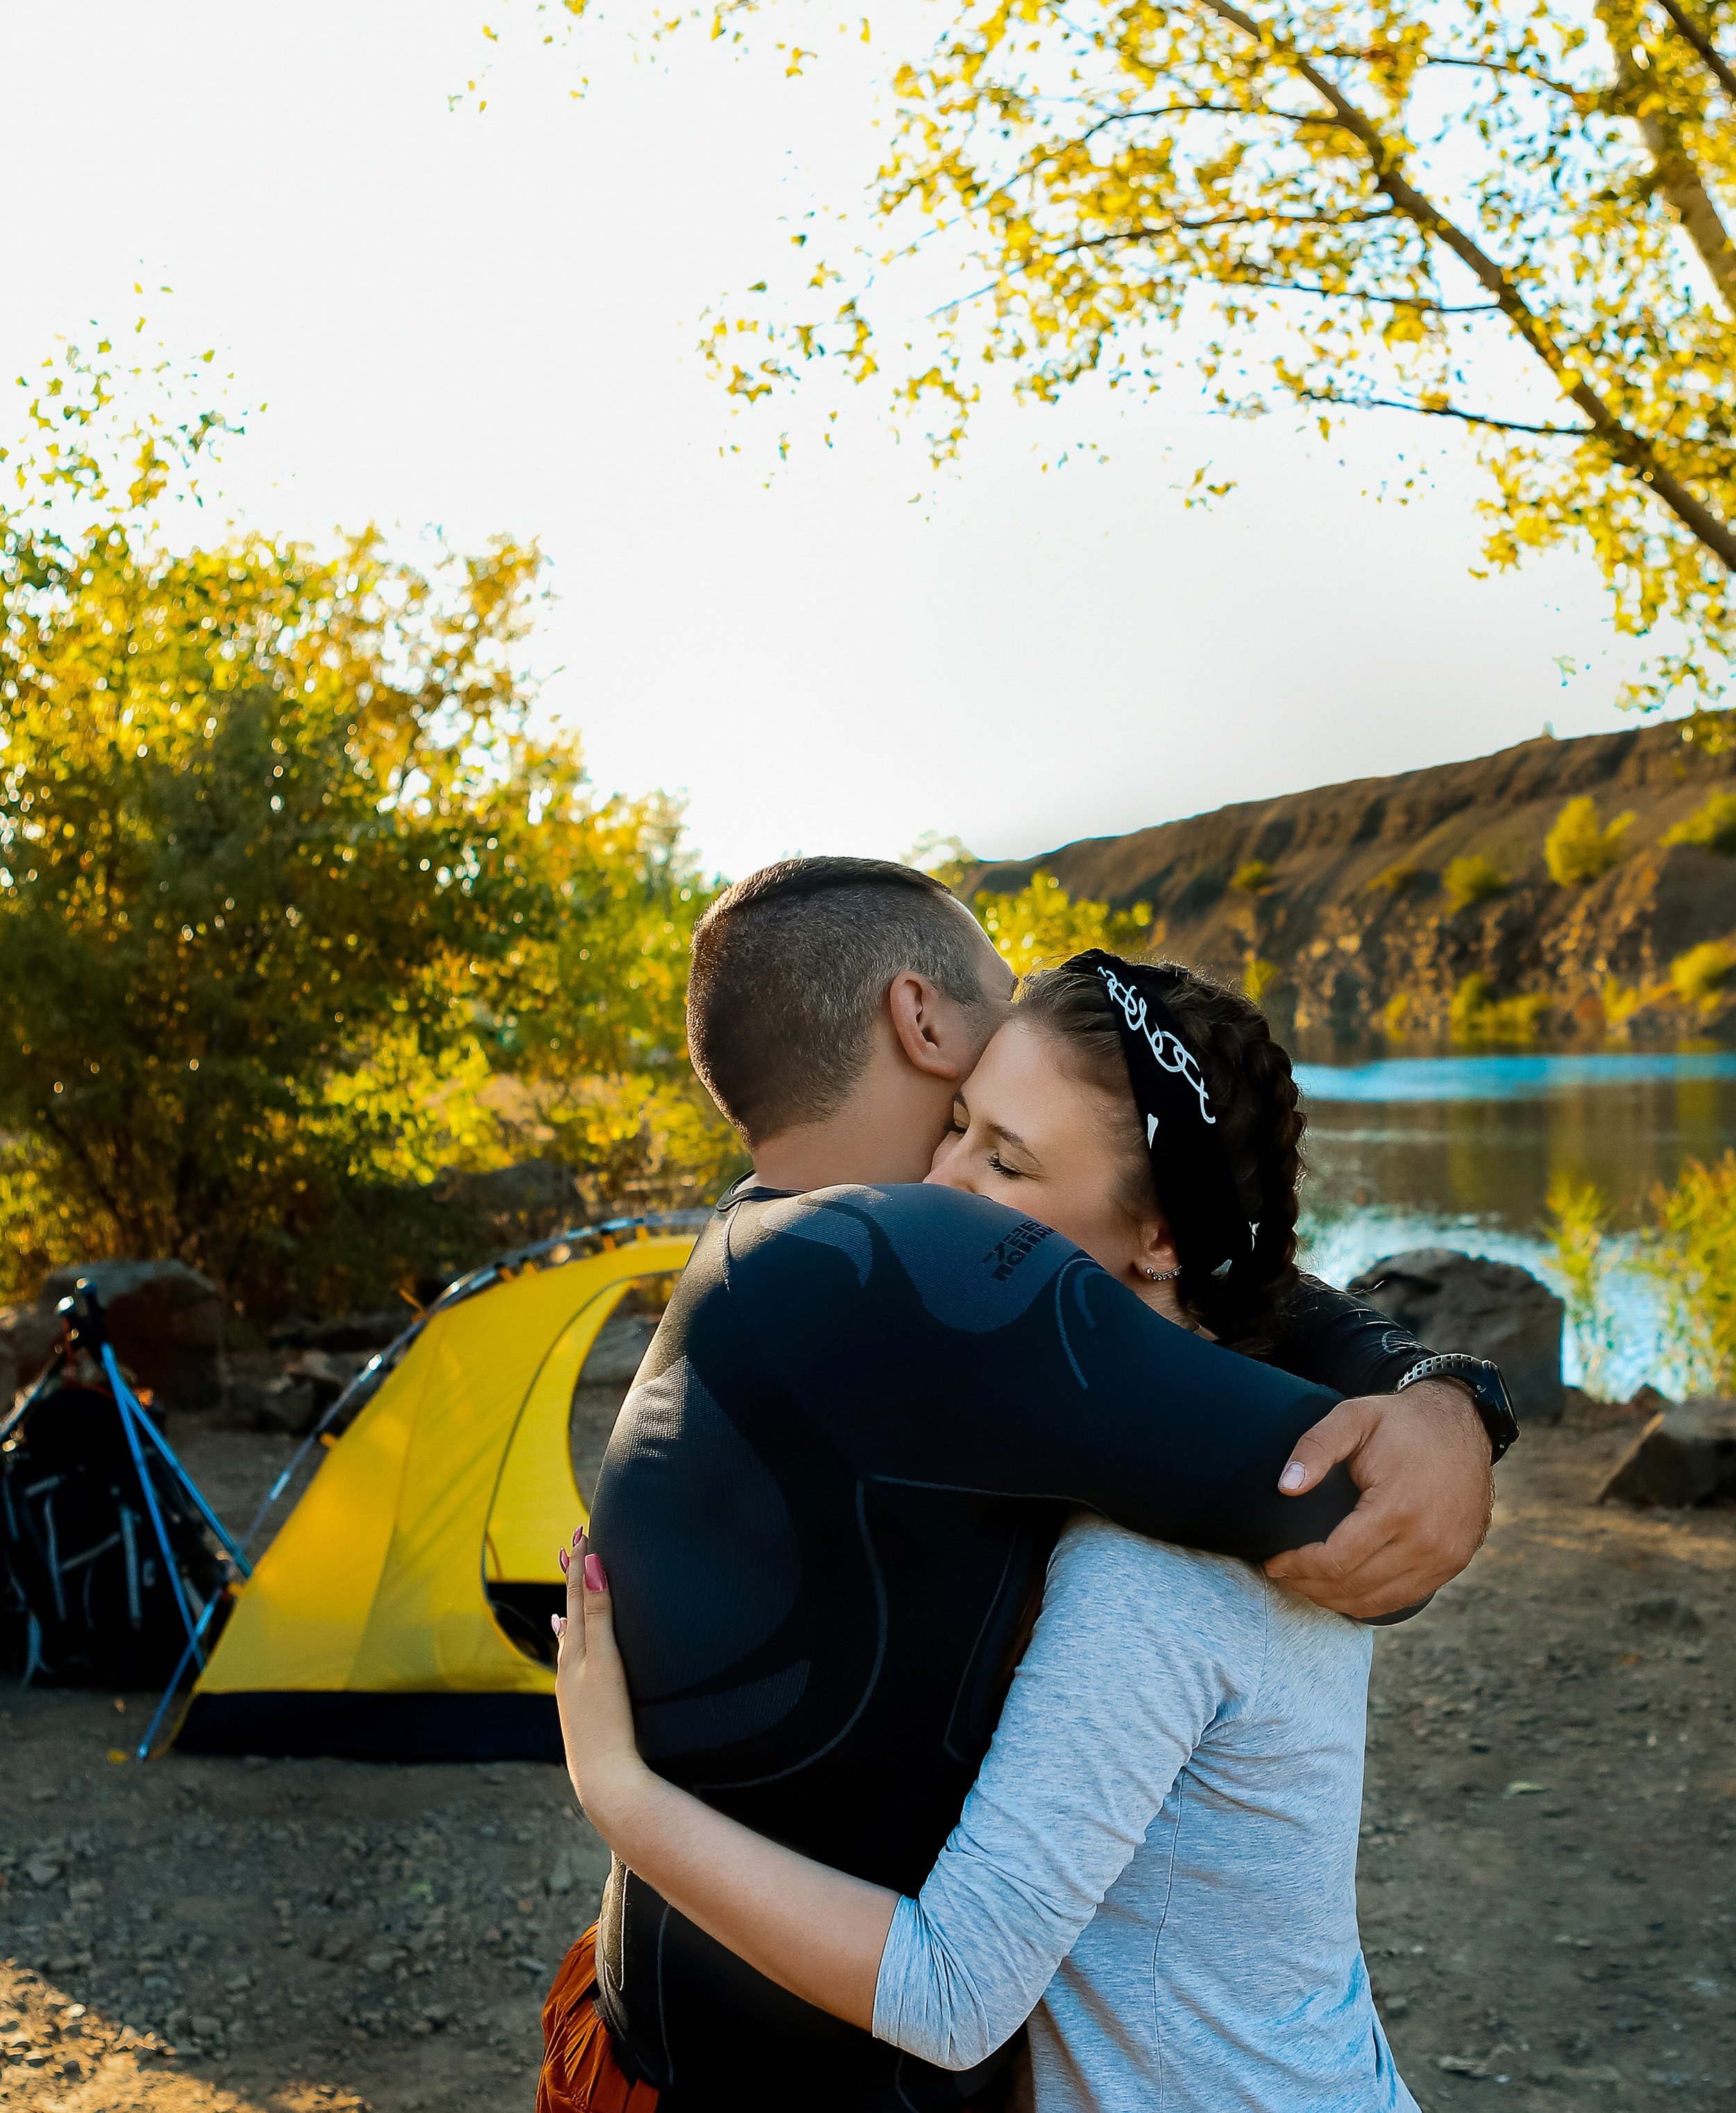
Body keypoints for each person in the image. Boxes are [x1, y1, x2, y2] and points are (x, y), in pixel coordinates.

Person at [544, 860, 1506, 2111]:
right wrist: (1446, 1407)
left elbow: (1189, 1280)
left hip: (683, 2029)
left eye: (1003, 1154)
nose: (960, 1174)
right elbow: (1339, 1492)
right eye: (996, 1005)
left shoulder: (771, 1236)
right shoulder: (906, 1260)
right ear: (923, 1020)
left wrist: (1433, 1385)